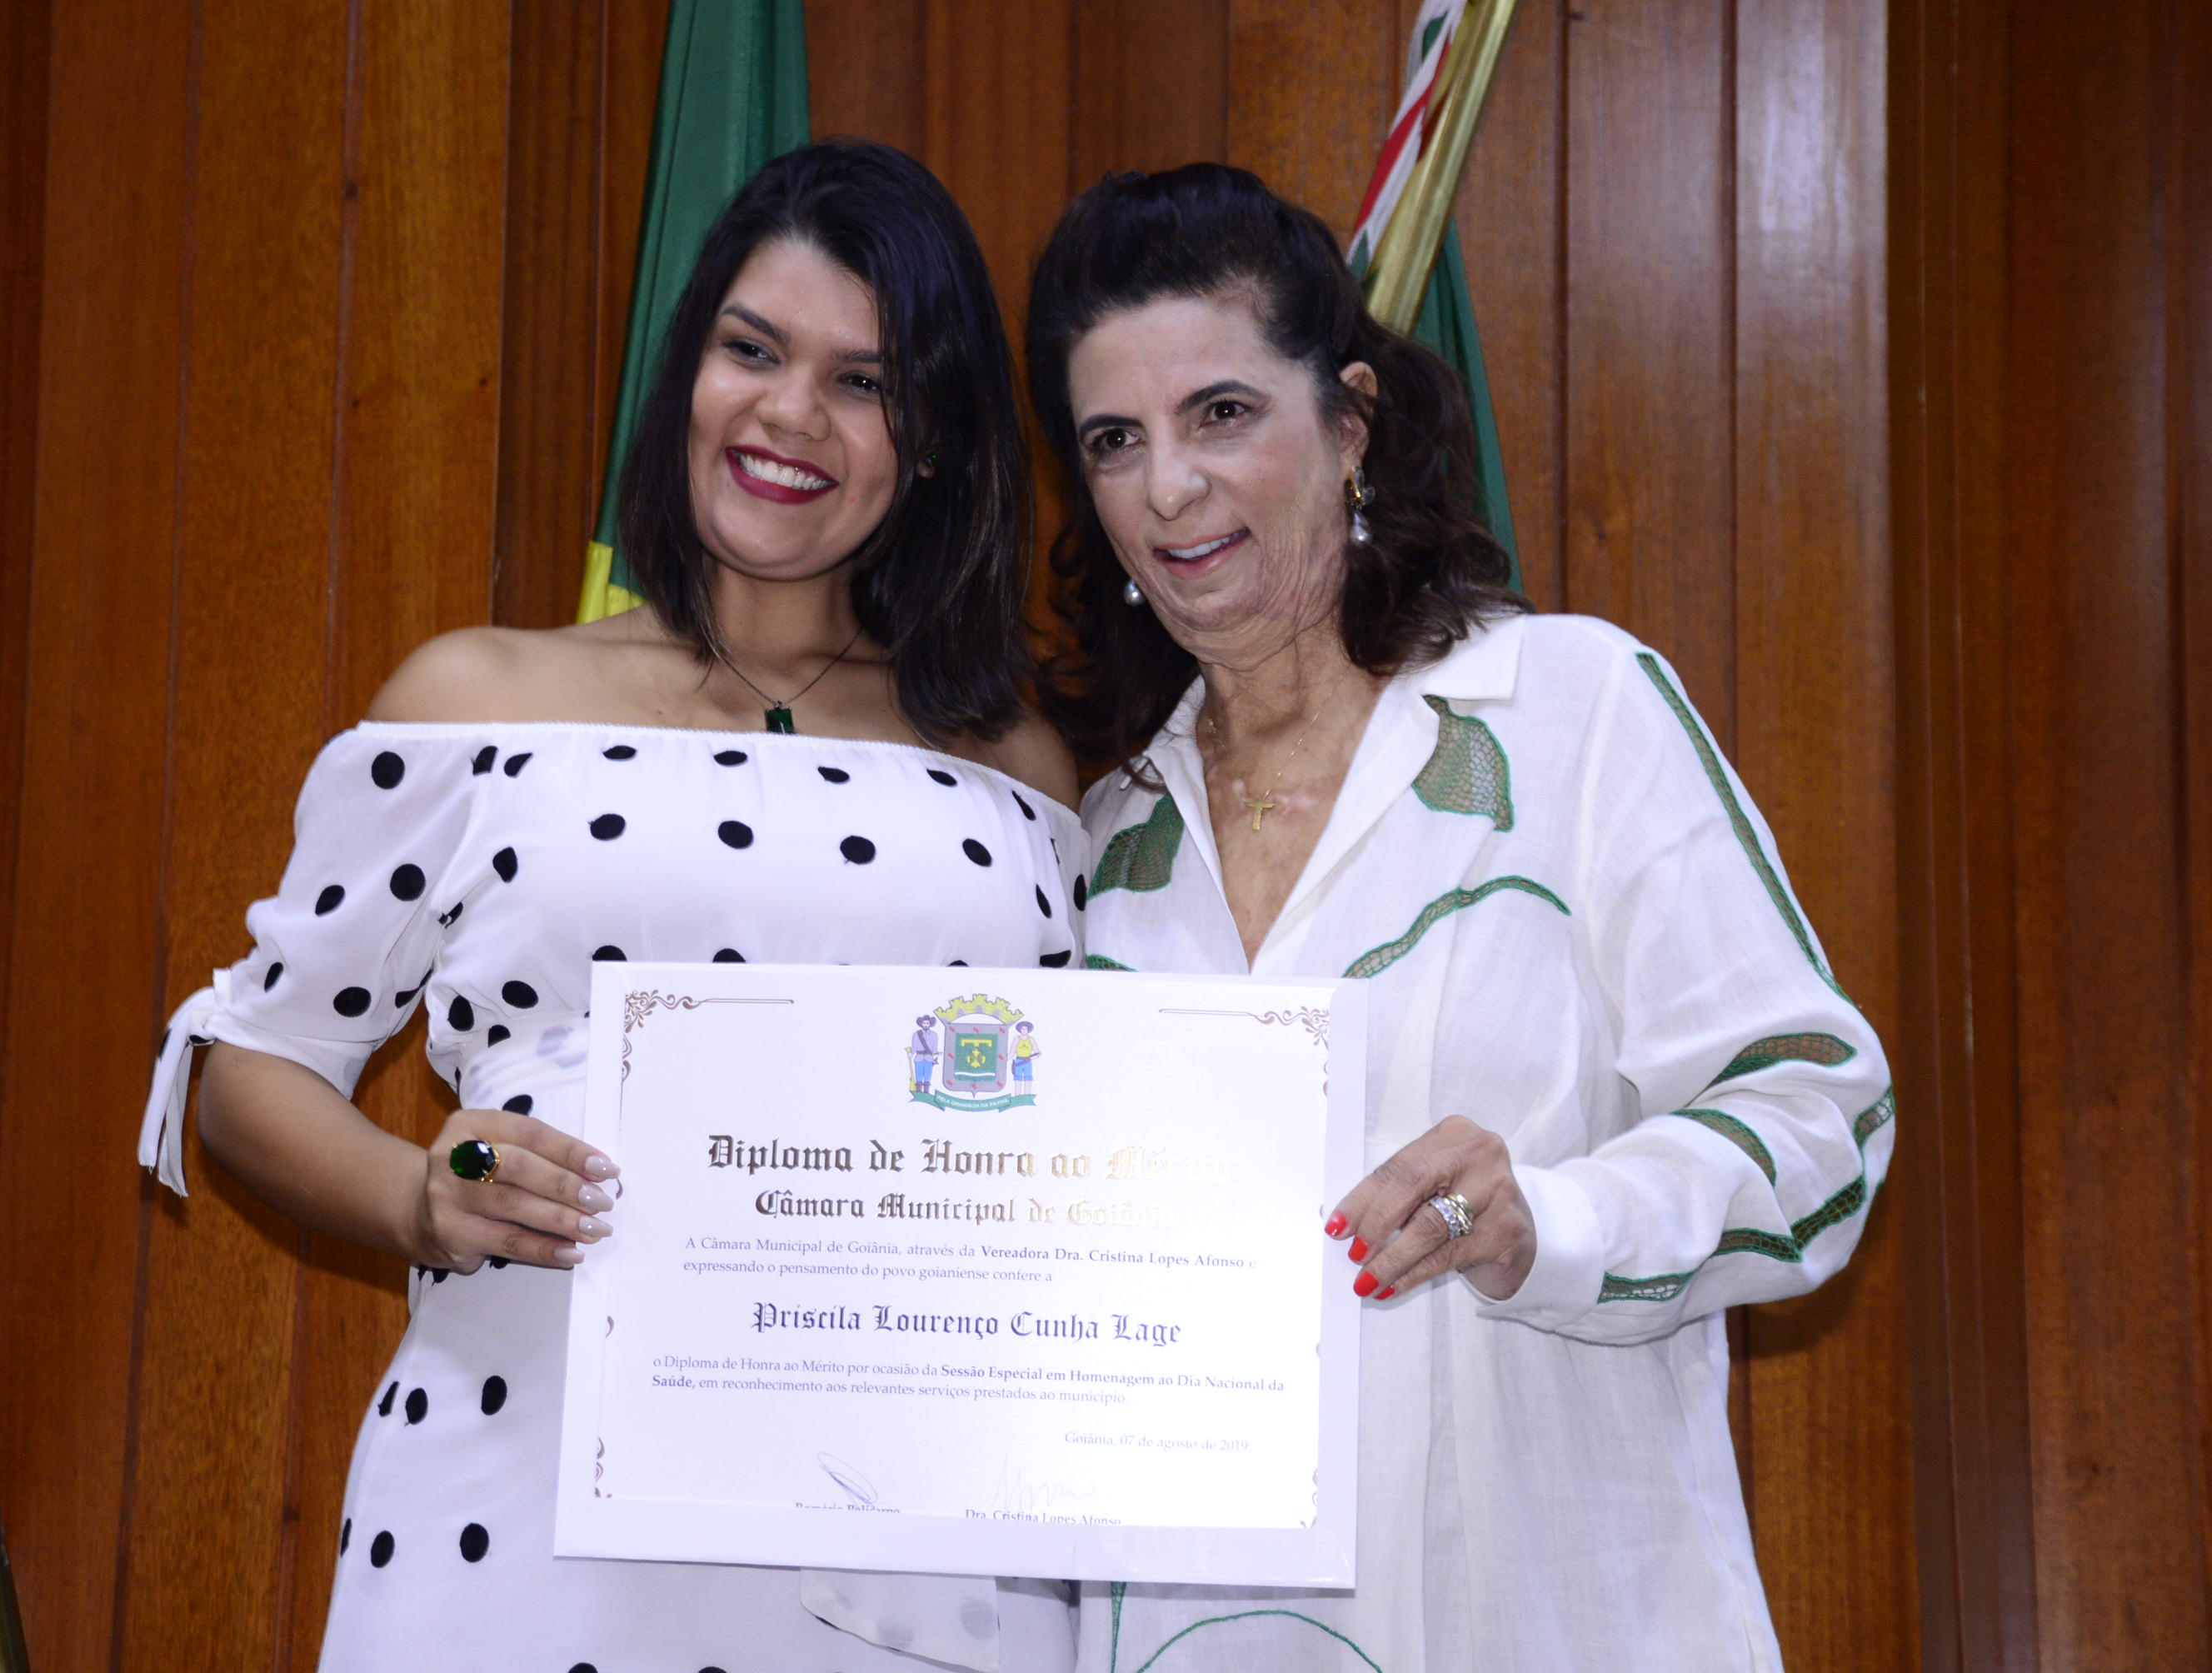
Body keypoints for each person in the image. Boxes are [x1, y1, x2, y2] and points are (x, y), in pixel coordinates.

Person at [137, 141, 1086, 1673]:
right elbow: (254, 1062)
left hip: (922, 1540)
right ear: (688, 372)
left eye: (863, 381)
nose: (790, 413)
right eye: (752, 350)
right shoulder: (478, 698)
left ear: (936, 442)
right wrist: (420, 1194)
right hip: (519, 1501)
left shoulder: (1015, 766)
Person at [1029, 164, 1892, 1671]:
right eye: (1117, 440)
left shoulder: (1573, 711)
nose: (1167, 488)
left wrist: (1545, 1222)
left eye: (1221, 413)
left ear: (1350, 423)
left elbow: (1821, 1121)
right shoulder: (1101, 849)